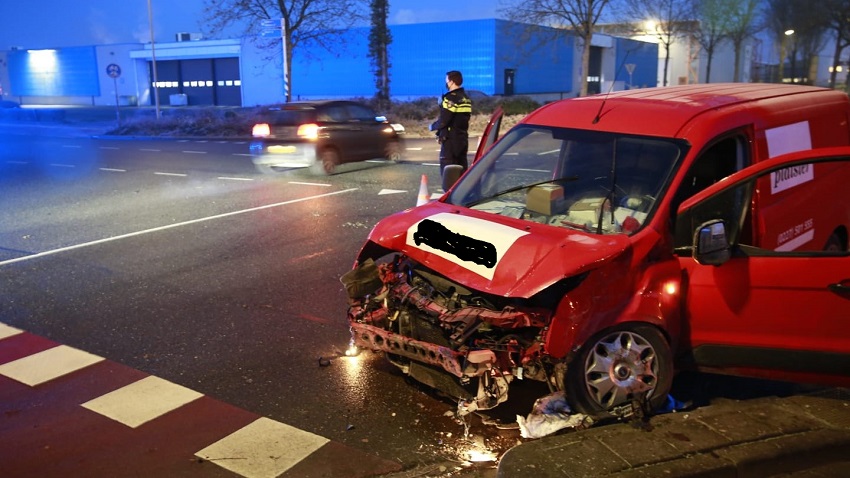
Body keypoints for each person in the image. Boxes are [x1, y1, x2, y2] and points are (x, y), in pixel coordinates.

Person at [430, 70, 472, 177]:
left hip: (451, 141)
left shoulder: (450, 98)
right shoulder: (466, 98)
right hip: (462, 139)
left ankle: (451, 188)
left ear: (452, 81)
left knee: (448, 172)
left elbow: (445, 120)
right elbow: (459, 118)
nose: (446, 83)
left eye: (447, 80)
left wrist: (432, 127)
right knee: (462, 171)